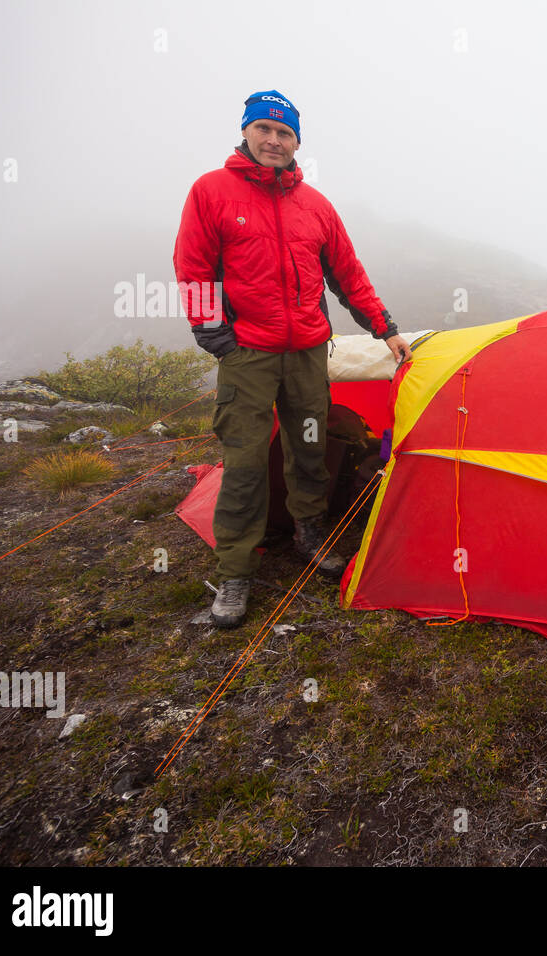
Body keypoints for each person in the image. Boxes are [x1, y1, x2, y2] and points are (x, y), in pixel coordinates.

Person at [174, 89, 411, 628]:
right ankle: (236, 569)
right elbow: (193, 268)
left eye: (285, 133)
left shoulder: (316, 205)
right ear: (247, 133)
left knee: (309, 448)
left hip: (307, 351)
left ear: (297, 141)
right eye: (265, 130)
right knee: (245, 459)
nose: (274, 140)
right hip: (249, 354)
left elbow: (348, 276)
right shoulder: (212, 191)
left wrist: (385, 329)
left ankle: (309, 535)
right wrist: (216, 335)